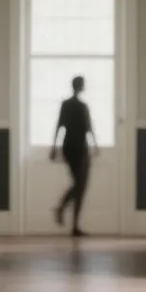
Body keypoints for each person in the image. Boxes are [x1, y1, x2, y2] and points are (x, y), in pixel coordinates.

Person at [50, 76, 99, 236]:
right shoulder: (82, 106)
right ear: (81, 86)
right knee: (80, 185)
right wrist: (95, 145)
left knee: (80, 185)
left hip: (69, 147)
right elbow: (89, 127)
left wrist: (54, 147)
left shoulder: (66, 105)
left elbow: (59, 126)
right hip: (79, 148)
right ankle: (63, 208)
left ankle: (74, 225)